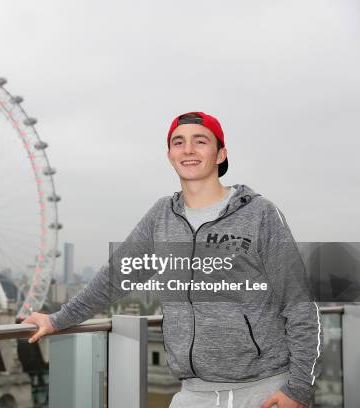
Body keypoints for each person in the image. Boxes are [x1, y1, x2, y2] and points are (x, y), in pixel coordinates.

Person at [22, 111, 323, 408]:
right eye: (178, 142)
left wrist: (298, 389)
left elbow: (300, 305)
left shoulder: (260, 214)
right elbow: (114, 278)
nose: (188, 149)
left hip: (263, 389)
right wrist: (57, 320)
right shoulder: (162, 216)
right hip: (191, 393)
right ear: (170, 155)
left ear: (221, 154)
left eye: (200, 141)